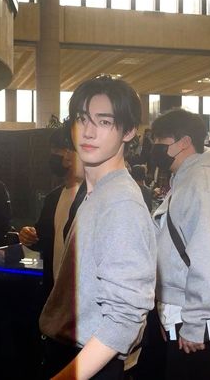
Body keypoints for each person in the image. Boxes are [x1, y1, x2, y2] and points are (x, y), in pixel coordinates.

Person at [39, 75, 157, 380]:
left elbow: (124, 318)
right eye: (82, 119)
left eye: (105, 122)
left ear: (129, 131)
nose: (88, 132)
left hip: (92, 362)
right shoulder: (97, 192)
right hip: (76, 353)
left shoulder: (120, 203)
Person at [151, 108, 210, 380]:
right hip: (182, 313)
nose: (154, 150)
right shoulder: (186, 178)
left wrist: (193, 322)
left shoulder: (201, 181)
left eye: (159, 143)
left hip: (196, 323)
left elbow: (208, 256)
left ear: (184, 142)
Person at [19, 122, 85, 300]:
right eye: (54, 151)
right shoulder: (53, 198)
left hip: (81, 297)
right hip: (53, 290)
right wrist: (29, 236)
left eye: (61, 150)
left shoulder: (92, 197)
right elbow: (43, 240)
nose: (57, 157)